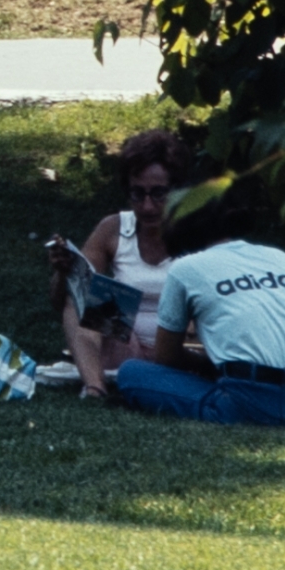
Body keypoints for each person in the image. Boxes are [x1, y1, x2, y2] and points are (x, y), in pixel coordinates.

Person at [114, 189, 285, 426]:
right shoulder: (281, 258)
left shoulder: (185, 269)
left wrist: (207, 364)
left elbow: (167, 357)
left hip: (244, 405)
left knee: (131, 373)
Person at [44, 129, 193, 398]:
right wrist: (63, 272)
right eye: (138, 194)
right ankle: (95, 387)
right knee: (83, 297)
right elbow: (66, 302)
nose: (147, 206)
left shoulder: (200, 230)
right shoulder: (113, 228)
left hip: (182, 348)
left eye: (159, 194)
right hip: (124, 346)